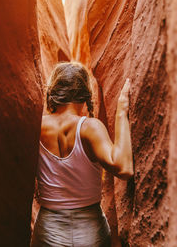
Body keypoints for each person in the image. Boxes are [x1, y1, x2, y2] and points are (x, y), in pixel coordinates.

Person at [30, 62, 133, 247]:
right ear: (85, 93)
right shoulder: (89, 127)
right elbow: (123, 168)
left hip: (48, 232)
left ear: (53, 92)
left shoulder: (36, 126)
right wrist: (121, 113)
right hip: (90, 233)